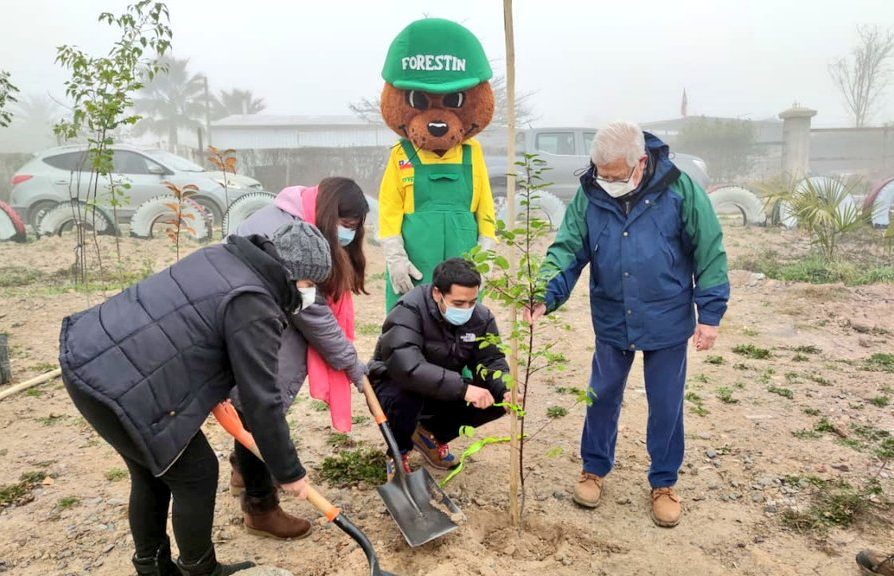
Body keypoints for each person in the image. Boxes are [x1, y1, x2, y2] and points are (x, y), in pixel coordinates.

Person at [58, 221, 331, 576]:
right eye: (309, 284)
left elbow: (190, 327)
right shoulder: (254, 302)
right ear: (290, 274)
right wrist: (289, 471)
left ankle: (152, 566)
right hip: (121, 384)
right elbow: (262, 398)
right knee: (197, 473)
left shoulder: (224, 256)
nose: (310, 294)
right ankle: (200, 571)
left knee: (152, 473)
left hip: (89, 357)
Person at [526, 121, 730, 528]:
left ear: (640, 162)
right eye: (602, 174)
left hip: (667, 314)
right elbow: (569, 247)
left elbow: (709, 249)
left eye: (616, 175)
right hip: (612, 313)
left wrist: (709, 315)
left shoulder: (680, 189)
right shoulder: (590, 193)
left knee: (666, 402)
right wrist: (544, 293)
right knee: (601, 395)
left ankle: (664, 482)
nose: (609, 182)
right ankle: (594, 468)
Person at [230, 177, 370, 539]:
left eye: (356, 229)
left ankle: (243, 470)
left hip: (253, 319)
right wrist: (352, 363)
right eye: (348, 226)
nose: (350, 236)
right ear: (329, 213)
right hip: (252, 326)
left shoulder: (294, 213)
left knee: (251, 407)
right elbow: (312, 313)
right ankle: (260, 507)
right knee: (258, 408)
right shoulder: (287, 234)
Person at [368, 258, 512, 477]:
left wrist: (505, 388)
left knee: (496, 396)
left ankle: (429, 436)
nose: (467, 309)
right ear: (437, 293)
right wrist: (463, 389)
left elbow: (490, 359)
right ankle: (398, 452)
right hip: (394, 383)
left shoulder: (481, 318)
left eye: (472, 302)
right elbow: (408, 368)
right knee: (406, 397)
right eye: (458, 304)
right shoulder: (408, 310)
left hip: (442, 385)